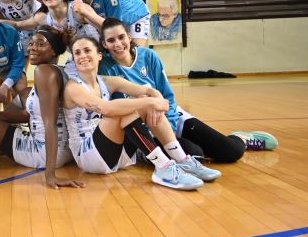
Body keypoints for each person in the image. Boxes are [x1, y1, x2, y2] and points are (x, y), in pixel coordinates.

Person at [63, 36, 221, 189]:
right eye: (77, 53)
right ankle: (163, 167)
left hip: (115, 150)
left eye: (87, 50)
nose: (82, 56)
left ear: (99, 55)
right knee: (126, 110)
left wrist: (156, 100)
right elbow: (107, 108)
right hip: (88, 154)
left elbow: (149, 90)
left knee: (143, 104)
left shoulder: (107, 81)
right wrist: (150, 102)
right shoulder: (73, 87)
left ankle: (182, 160)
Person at [99, 17, 248, 162]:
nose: (118, 44)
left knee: (232, 151)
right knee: (196, 154)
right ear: (104, 44)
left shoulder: (148, 56)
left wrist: (167, 126)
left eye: (121, 37)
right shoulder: (105, 69)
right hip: (144, 132)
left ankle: (243, 138)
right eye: (111, 40)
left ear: (129, 37)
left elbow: (168, 96)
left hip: (170, 118)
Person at [0, 26, 84, 189]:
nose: (32, 48)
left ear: (53, 51)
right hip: (65, 150)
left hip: (43, 152)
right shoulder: (59, 71)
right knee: (25, 93)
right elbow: (29, 113)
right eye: (31, 43)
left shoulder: (43, 72)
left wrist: (50, 176)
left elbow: (50, 123)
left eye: (41, 44)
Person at [36, 0, 102, 76]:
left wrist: (86, 13)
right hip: (78, 60)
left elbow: (106, 27)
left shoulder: (77, 9)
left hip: (98, 58)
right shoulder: (43, 19)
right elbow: (19, 24)